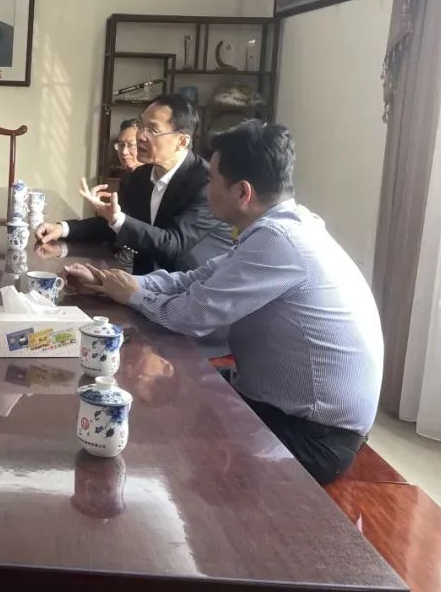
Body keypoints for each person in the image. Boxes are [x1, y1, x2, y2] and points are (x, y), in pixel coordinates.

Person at [64, 122, 383, 484]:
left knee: (164, 437)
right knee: (169, 397)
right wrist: (113, 283)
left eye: (212, 179)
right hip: (285, 409)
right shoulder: (281, 226)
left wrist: (133, 294)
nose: (206, 188)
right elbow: (195, 278)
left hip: (312, 435)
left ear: (243, 192)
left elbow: (191, 316)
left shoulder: (279, 240)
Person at [36, 94, 231, 274]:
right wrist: (62, 229)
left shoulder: (206, 183)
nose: (141, 136)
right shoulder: (141, 176)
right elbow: (116, 225)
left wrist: (117, 219)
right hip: (145, 281)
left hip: (194, 287)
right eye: (141, 125)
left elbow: (173, 244)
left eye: (152, 130)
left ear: (181, 141)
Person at [110, 118, 143, 200]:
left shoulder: (155, 179)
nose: (124, 152)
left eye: (131, 145)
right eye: (121, 145)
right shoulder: (126, 177)